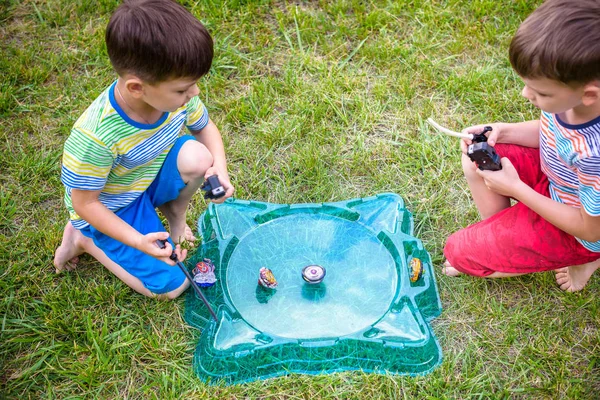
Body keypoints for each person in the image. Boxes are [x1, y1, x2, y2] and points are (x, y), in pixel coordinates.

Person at [53, 0, 234, 299]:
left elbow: (205, 128)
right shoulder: (96, 136)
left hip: (143, 175)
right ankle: (84, 240)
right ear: (137, 88)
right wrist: (138, 240)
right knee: (171, 287)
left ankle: (175, 215)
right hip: (110, 207)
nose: (195, 93)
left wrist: (220, 170)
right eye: (182, 89)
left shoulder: (177, 100)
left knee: (200, 157)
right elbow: (86, 204)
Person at [443, 0, 600, 292]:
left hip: (580, 230)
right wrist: (503, 132)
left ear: (589, 94)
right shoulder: (575, 101)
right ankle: (504, 237)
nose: (525, 94)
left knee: (458, 253)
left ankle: (588, 258)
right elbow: (552, 131)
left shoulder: (594, 155)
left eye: (540, 91)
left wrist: (516, 189)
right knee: (475, 157)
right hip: (558, 181)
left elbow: (591, 227)